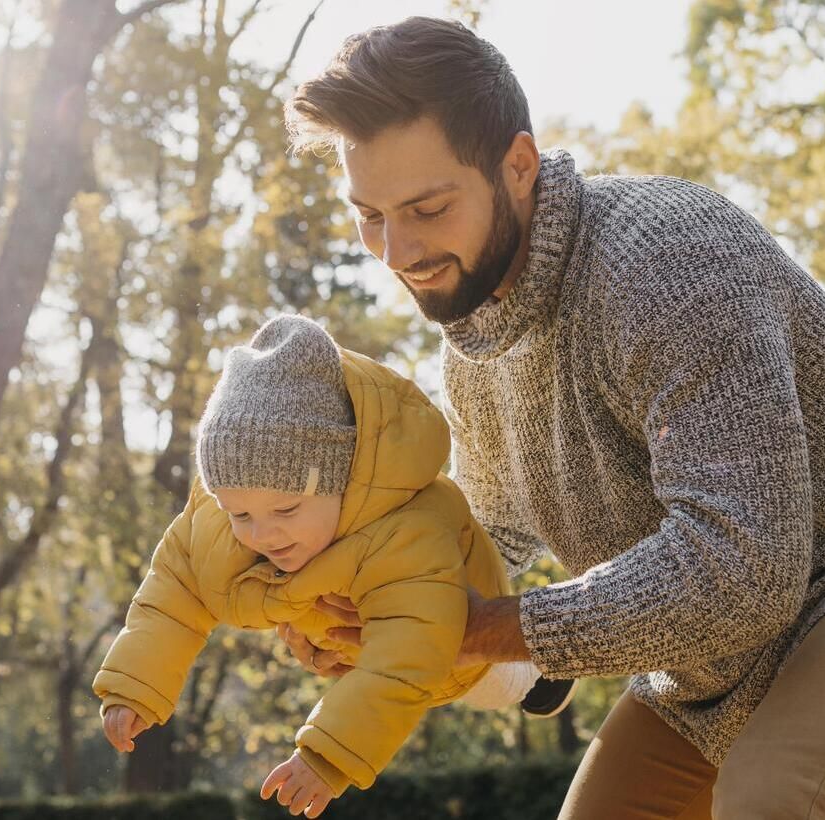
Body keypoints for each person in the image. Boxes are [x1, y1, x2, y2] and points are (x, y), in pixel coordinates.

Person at [278, 16, 825, 819]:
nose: (396, 251)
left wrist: (487, 629)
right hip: (711, 662)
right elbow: (483, 540)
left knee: (781, 802)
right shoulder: (475, 347)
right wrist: (371, 610)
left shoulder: (664, 260)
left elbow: (743, 570)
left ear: (519, 166)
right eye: (370, 216)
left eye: (427, 207)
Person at [92, 314, 575, 819]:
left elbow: (410, 653)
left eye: (285, 511)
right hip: (351, 647)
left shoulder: (406, 528)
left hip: (455, 641)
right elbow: (170, 596)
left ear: (343, 482)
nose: (262, 534)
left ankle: (543, 671)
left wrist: (328, 754)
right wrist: (134, 684)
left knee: (488, 686)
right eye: (240, 513)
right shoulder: (215, 524)